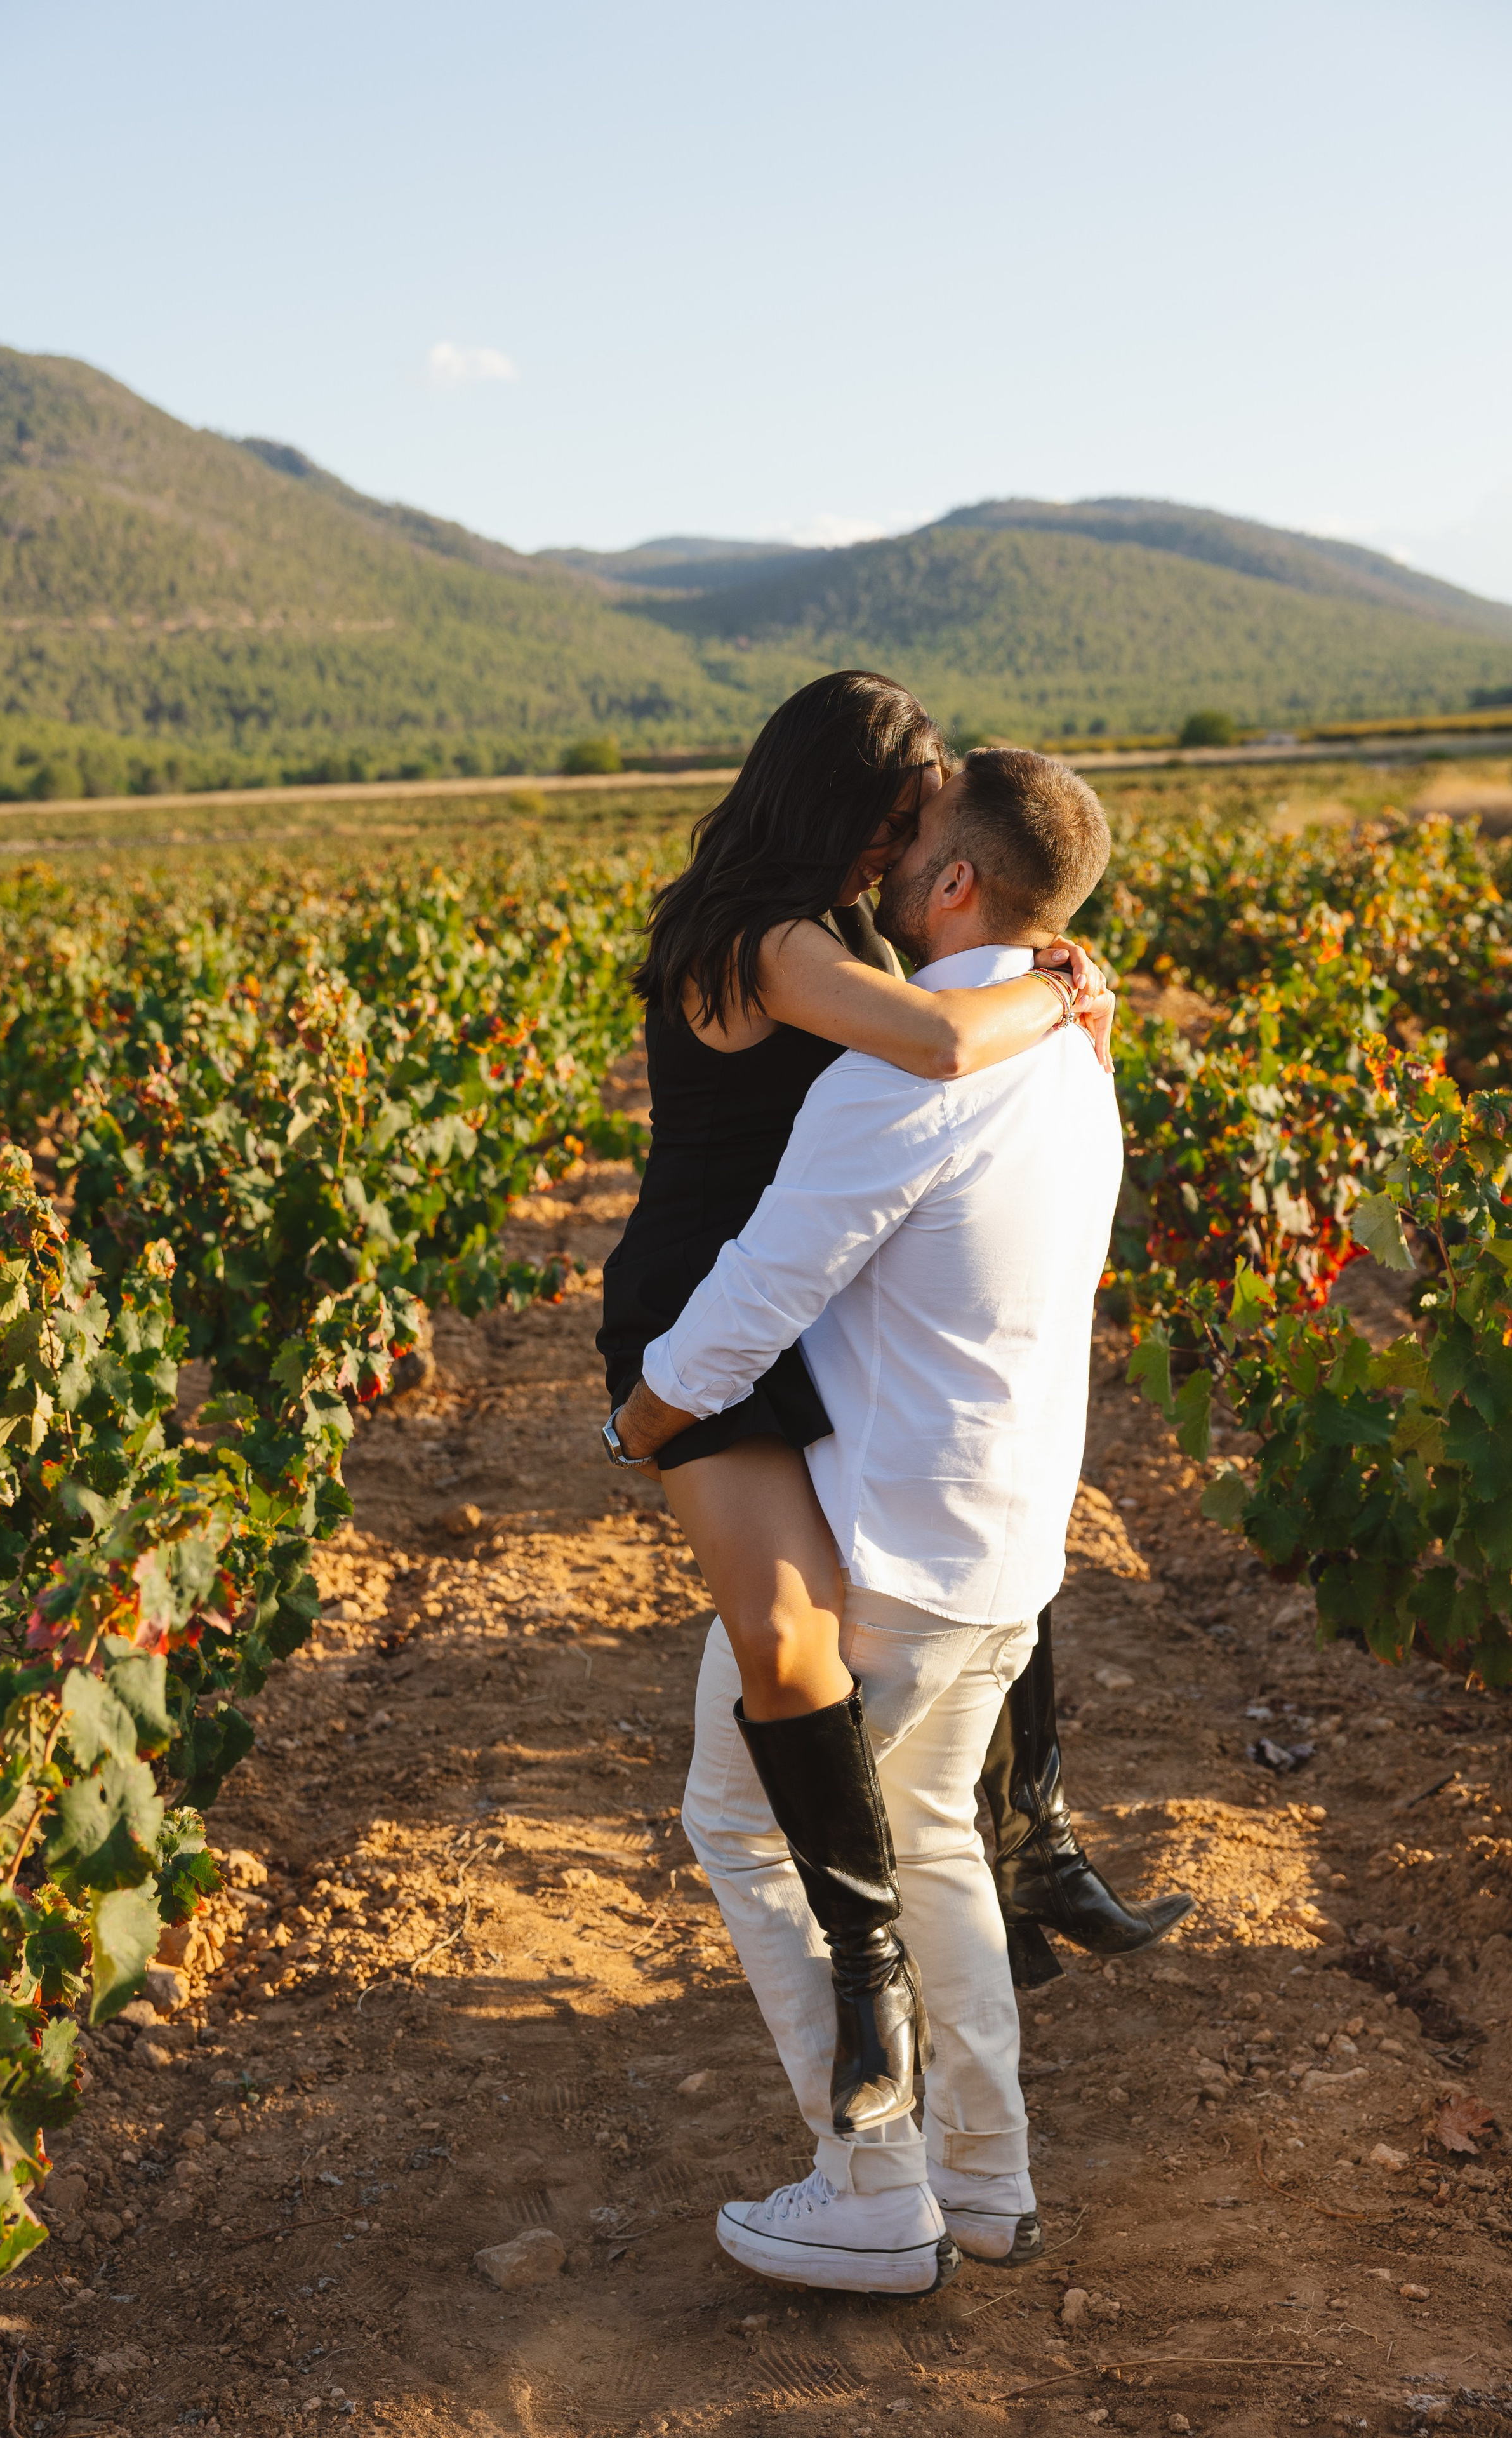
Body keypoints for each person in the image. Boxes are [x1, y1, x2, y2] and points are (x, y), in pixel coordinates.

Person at [599, 672, 1184, 2138]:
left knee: (958, 1546)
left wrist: (1037, 976)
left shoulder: (848, 929)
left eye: (919, 832)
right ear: (831, 799)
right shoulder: (753, 939)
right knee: (787, 1650)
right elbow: (932, 1047)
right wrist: (1059, 988)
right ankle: (870, 1990)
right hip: (699, 1307)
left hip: (788, 1302)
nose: (897, 851)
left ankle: (1030, 1838)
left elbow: (939, 1014)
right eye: (889, 820)